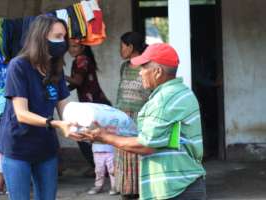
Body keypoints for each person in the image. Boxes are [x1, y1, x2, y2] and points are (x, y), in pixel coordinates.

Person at [82, 43, 207, 200]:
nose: (140, 73)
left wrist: (104, 138)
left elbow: (146, 145)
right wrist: (110, 131)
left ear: (157, 72)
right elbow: (156, 135)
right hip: (183, 184)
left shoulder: (164, 99)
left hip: (174, 189)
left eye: (143, 68)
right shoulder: (181, 92)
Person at [0, 15, 82, 200]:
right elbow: (21, 114)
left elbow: (65, 108)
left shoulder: (55, 69)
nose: (62, 42)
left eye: (63, 37)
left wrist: (83, 124)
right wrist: (57, 124)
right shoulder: (18, 66)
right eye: (57, 36)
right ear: (41, 37)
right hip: (18, 147)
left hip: (45, 147)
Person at [66, 40, 111, 175]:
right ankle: (100, 168)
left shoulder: (82, 60)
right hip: (95, 104)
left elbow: (77, 81)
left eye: (74, 46)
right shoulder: (79, 60)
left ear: (82, 46)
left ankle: (98, 168)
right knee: (95, 137)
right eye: (69, 47)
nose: (71, 49)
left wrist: (61, 76)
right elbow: (76, 84)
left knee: (83, 136)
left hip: (94, 106)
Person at [115, 32, 151, 200]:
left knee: (139, 154)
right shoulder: (124, 67)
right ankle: (127, 191)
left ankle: (142, 191)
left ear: (130, 47)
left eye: (122, 46)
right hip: (123, 118)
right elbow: (120, 94)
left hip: (140, 119)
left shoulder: (147, 67)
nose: (120, 50)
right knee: (124, 154)